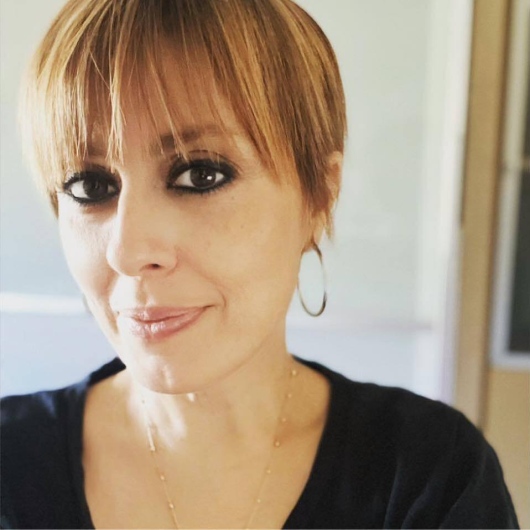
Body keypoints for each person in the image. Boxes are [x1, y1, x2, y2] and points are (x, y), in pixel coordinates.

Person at [0, 0, 520, 528]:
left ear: (319, 197)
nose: (128, 251)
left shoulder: (429, 474)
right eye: (90, 186)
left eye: (200, 175)